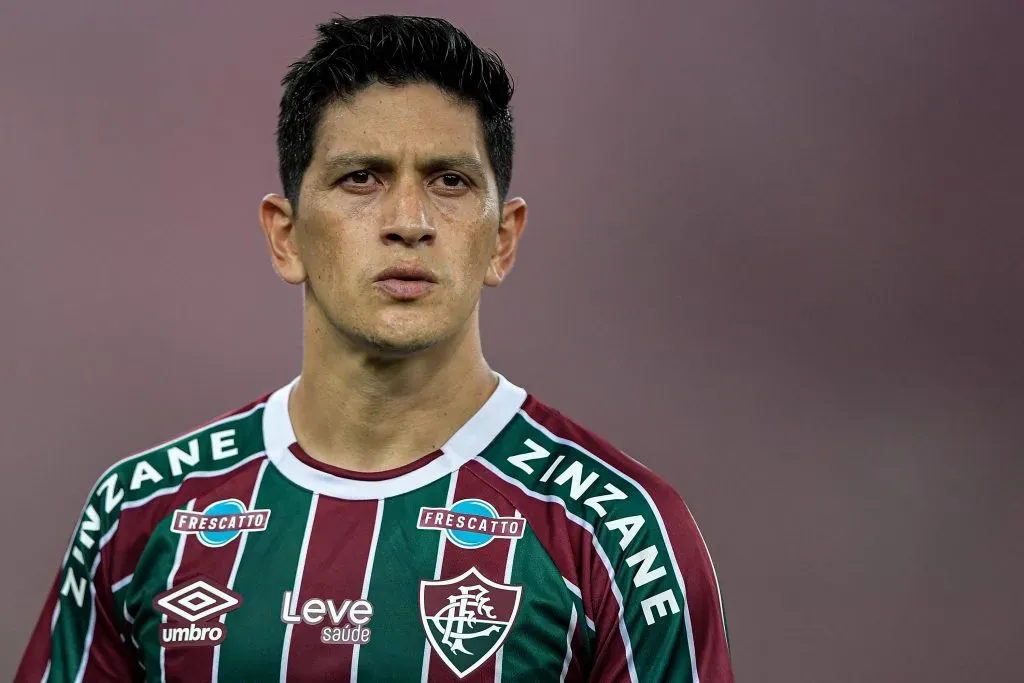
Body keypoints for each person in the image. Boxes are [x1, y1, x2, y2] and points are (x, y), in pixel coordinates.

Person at [15, 14, 734, 683]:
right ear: (285, 234)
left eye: (450, 181)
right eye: (362, 178)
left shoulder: (619, 532)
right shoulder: (142, 512)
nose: (409, 221)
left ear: (503, 240)